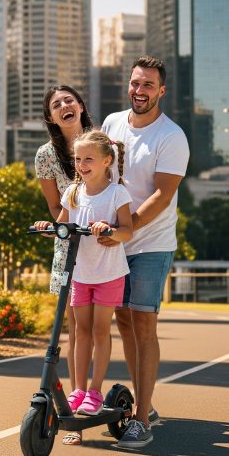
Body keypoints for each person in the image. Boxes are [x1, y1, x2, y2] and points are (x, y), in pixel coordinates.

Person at [99, 55, 189, 450]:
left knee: (144, 323)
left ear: (161, 90)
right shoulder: (111, 124)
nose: (140, 91)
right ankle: (144, 402)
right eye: (136, 83)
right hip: (115, 241)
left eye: (148, 85)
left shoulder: (172, 137)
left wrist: (126, 229)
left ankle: (141, 421)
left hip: (150, 241)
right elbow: (99, 176)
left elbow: (162, 194)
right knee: (122, 318)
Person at [35, 129, 132, 429]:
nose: (81, 164)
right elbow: (62, 225)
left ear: (107, 161)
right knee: (80, 332)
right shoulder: (73, 193)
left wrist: (111, 231)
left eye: (88, 159)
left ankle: (94, 390)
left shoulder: (117, 193)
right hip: (81, 273)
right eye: (78, 159)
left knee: (101, 331)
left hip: (108, 273)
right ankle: (77, 389)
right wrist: (48, 227)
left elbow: (127, 230)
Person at [34, 85, 93, 444]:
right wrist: (58, 227)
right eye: (56, 105)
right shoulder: (45, 156)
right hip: (69, 245)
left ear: (81, 106)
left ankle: (103, 398)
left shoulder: (105, 144)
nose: (64, 106)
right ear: (51, 118)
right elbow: (56, 209)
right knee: (73, 328)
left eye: (69, 100)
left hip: (101, 242)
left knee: (101, 327)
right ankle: (74, 401)